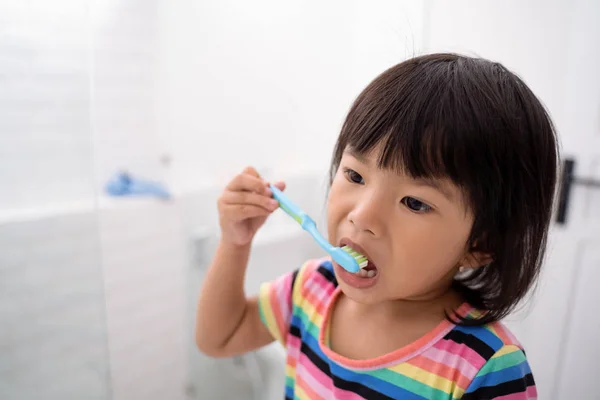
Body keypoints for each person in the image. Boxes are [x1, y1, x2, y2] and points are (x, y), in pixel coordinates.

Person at [196, 53, 558, 399]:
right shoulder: (310, 290)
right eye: (354, 174)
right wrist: (234, 242)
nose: (363, 215)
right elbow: (219, 338)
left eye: (415, 202)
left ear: (480, 244)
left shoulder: (486, 365)